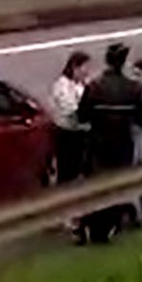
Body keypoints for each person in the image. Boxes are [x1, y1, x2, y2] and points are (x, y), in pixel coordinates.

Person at [76, 42, 142, 242]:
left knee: (95, 185)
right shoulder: (134, 88)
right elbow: (140, 116)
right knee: (117, 185)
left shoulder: (94, 87)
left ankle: (92, 226)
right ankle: (111, 225)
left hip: (98, 144)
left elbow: (82, 116)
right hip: (122, 145)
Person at [48, 50, 92, 185]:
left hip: (82, 133)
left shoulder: (82, 84)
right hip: (67, 134)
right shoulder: (62, 85)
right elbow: (70, 110)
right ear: (75, 67)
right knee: (67, 172)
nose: (87, 72)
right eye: (85, 67)